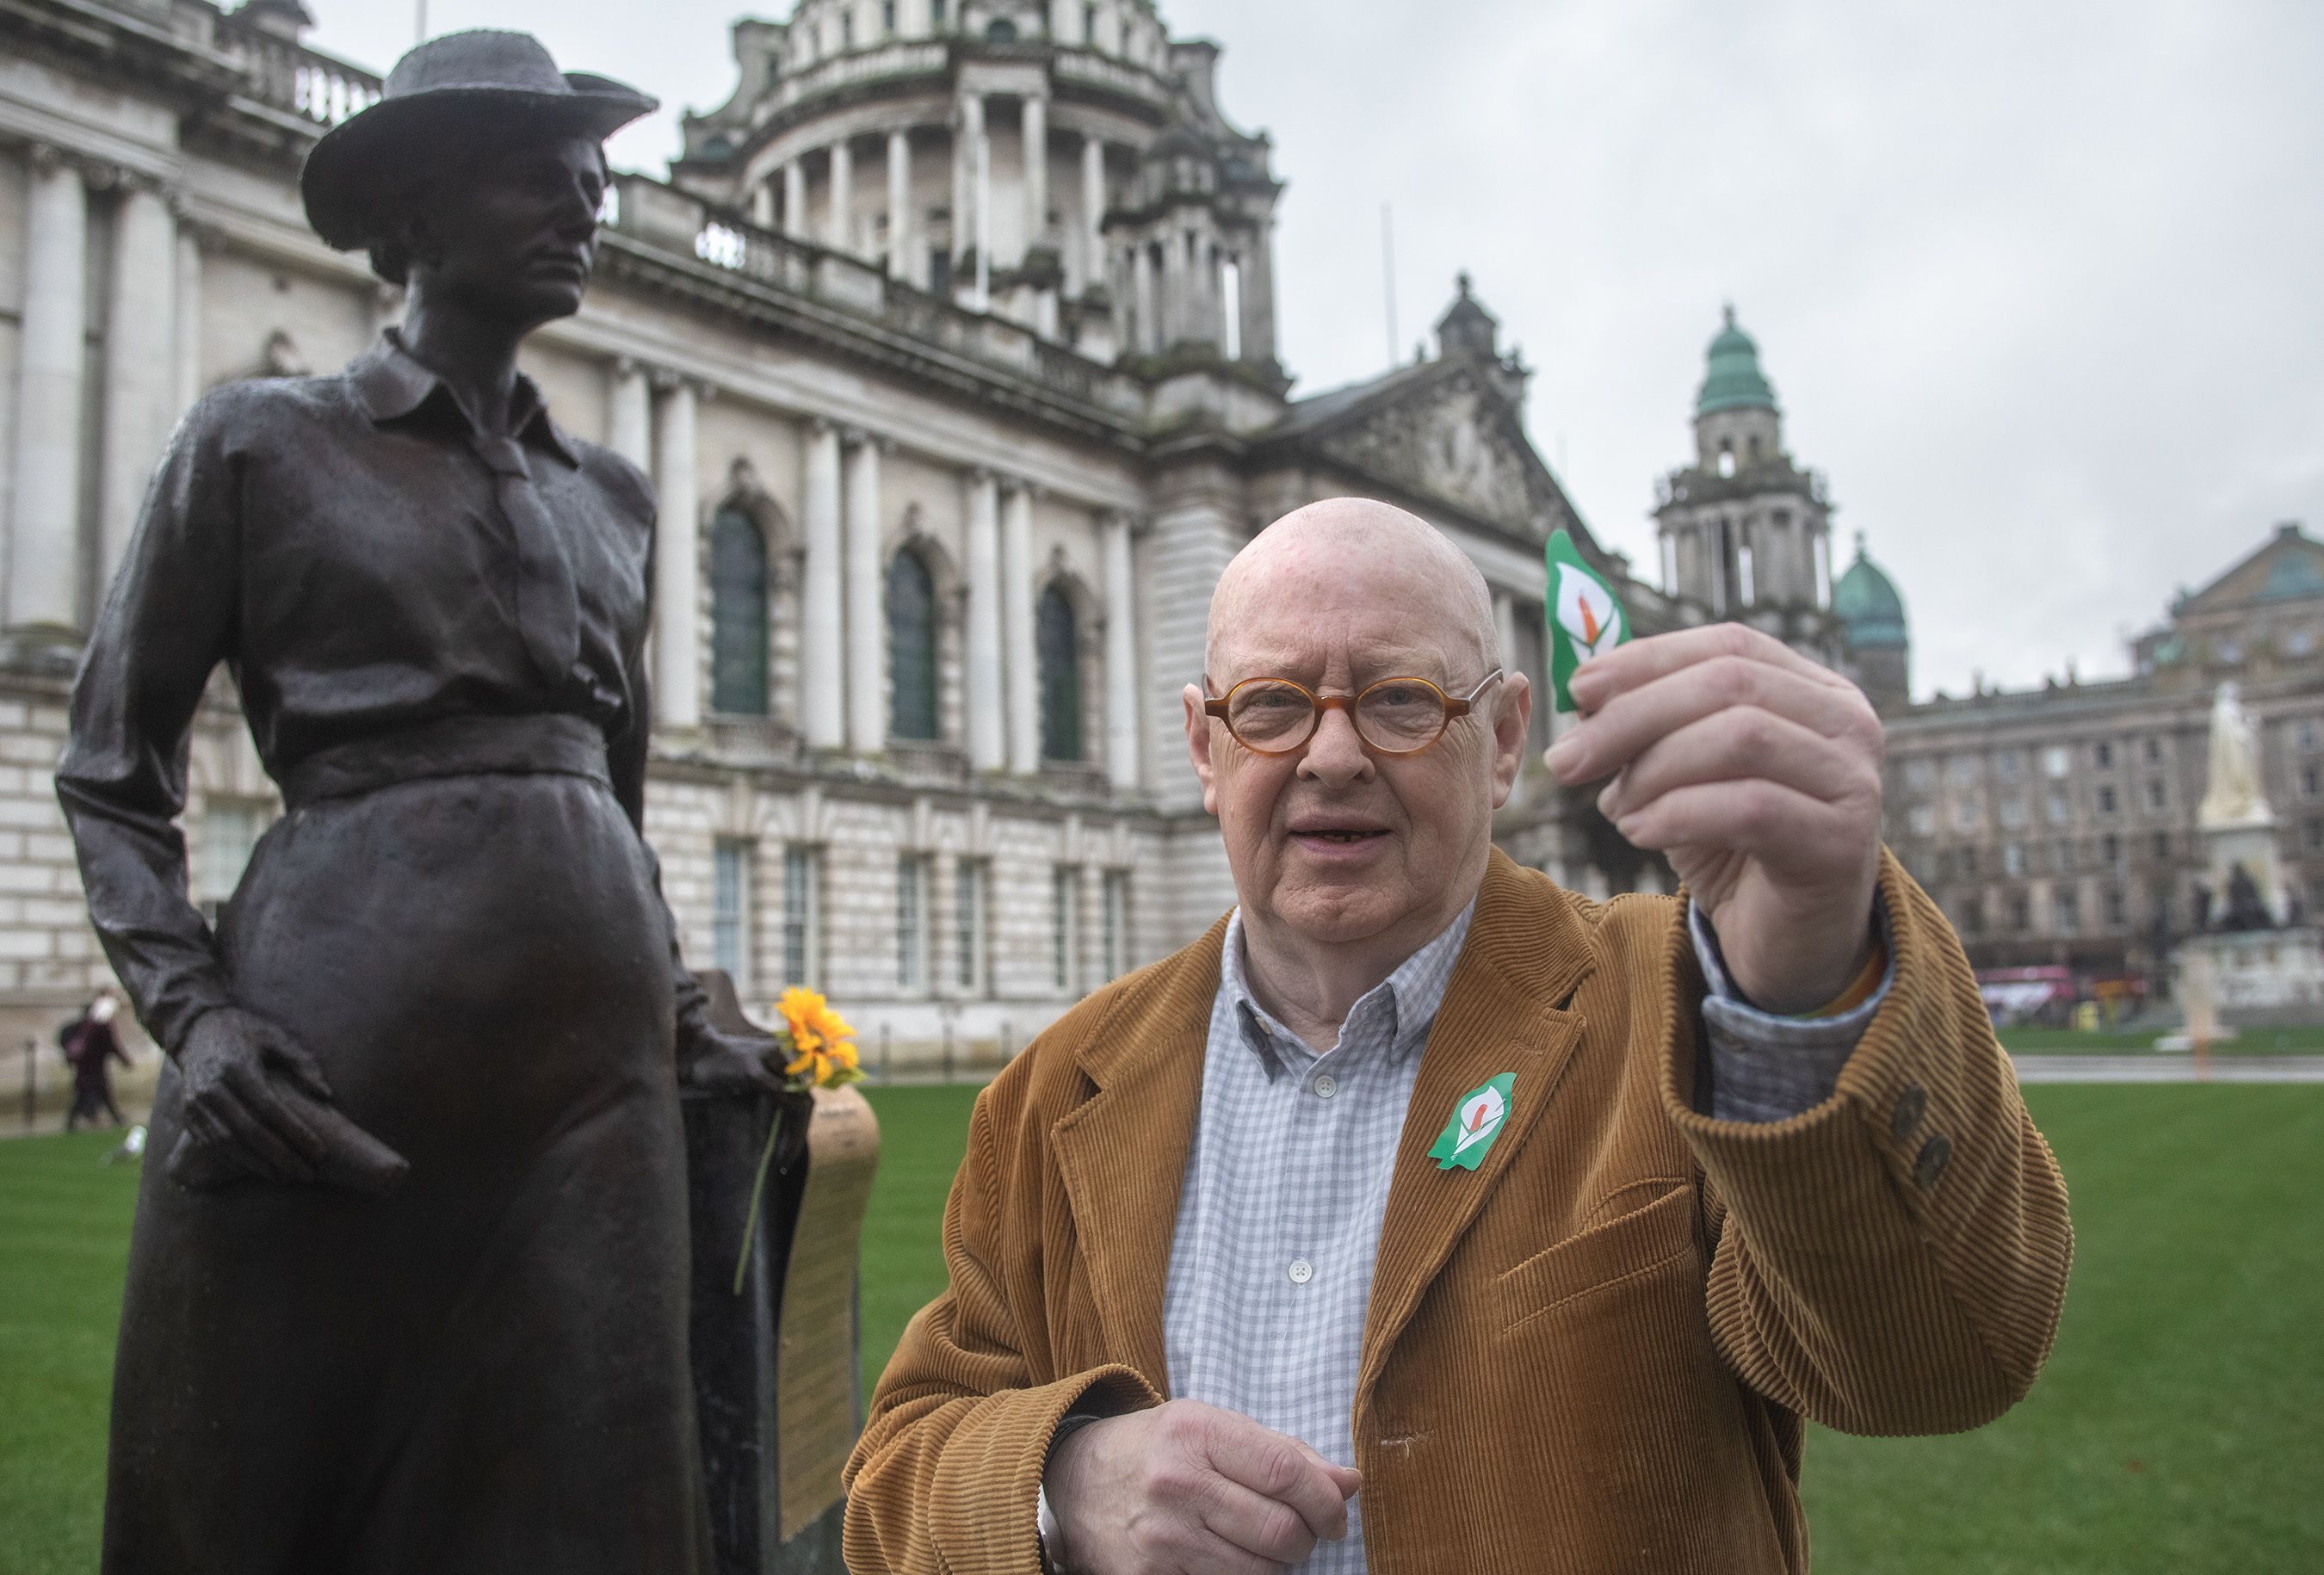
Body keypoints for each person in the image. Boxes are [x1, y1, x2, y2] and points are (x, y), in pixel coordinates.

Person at [844, 499, 2073, 1573]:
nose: (1331, 755)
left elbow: (1936, 1361)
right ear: (1207, 748)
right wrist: (1059, 1486)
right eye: (1273, 704)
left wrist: (1803, 986)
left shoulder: (1675, 997)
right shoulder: (1055, 1088)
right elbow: (896, 1472)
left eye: (1399, 699)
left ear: (1500, 739)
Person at [57, 32, 781, 1572]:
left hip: (597, 1084)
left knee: (603, 1501)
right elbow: (113, 766)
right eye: (539, 168)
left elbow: (620, 807)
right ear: (414, 208)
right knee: (258, 1487)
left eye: (593, 172)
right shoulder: (254, 443)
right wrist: (195, 1015)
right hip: (333, 1051)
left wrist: (677, 1006)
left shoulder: (616, 501)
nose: (585, 198)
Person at [63, 988, 132, 1132]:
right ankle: (110, 1118)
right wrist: (124, 1060)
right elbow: (112, 1045)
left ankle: (114, 1118)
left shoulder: (84, 1027)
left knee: (93, 1093)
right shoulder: (97, 1028)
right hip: (93, 1067)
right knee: (95, 1093)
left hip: (86, 1068)